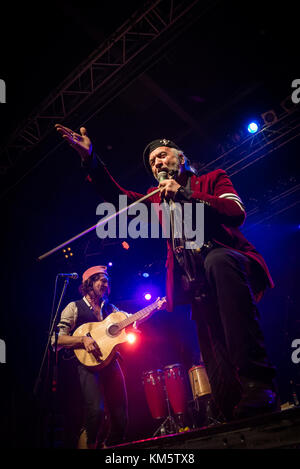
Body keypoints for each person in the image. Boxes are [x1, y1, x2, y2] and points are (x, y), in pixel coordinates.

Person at [55, 124, 279, 422]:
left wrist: (185, 192)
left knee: (218, 262)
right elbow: (116, 194)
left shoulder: (212, 179)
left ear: (181, 158)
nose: (158, 163)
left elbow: (235, 213)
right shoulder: (156, 200)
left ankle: (258, 385)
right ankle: (231, 406)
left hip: (230, 263)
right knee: (217, 365)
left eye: (162, 155)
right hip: (198, 284)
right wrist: (91, 158)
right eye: (152, 162)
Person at [53, 265, 128, 449]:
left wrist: (153, 308)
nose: (105, 283)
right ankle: (90, 444)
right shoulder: (74, 307)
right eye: (101, 280)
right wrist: (82, 339)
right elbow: (56, 340)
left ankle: (109, 448)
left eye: (106, 281)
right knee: (96, 411)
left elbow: (129, 318)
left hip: (110, 362)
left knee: (121, 417)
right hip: (87, 365)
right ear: (89, 283)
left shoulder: (110, 308)